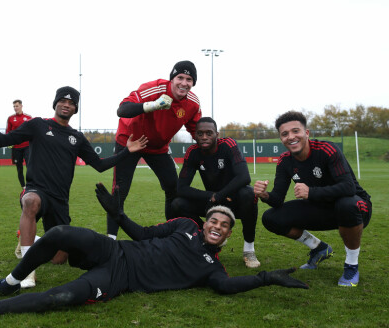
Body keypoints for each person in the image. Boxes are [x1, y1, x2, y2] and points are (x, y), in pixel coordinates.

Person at [0, 183, 308, 328]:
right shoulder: (184, 225)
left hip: (120, 279)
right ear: (205, 221)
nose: (217, 225)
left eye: (224, 225)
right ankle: (6, 284)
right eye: (214, 219)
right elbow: (142, 234)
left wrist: (265, 278)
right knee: (58, 233)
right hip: (117, 249)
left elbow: (224, 288)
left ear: (226, 236)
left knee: (61, 297)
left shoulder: (214, 268)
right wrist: (117, 213)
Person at [0, 86, 148, 288]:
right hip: (36, 190)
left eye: (71, 103)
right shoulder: (37, 125)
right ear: (55, 103)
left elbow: (100, 165)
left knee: (59, 258)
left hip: (60, 201)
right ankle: (27, 273)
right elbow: (2, 141)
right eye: (63, 101)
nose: (66, 105)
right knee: (31, 202)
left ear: (75, 109)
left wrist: (127, 151)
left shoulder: (76, 138)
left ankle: (29, 238)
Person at [253, 111, 372, 287]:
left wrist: (312, 192)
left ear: (306, 133)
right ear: (281, 138)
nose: (291, 137)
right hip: (321, 209)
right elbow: (278, 200)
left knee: (346, 204)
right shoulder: (285, 161)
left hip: (356, 208)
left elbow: (348, 187)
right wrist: (265, 195)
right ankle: (319, 248)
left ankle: (351, 265)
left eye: (295, 131)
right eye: (285, 134)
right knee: (271, 218)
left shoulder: (327, 150)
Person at [107, 60, 202, 240]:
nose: (184, 83)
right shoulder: (154, 89)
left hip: (157, 147)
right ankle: (110, 240)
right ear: (172, 79)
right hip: (131, 141)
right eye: (180, 77)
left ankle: (173, 234)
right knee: (120, 189)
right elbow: (122, 110)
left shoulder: (193, 103)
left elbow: (198, 131)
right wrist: (152, 105)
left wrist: (216, 147)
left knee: (173, 187)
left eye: (189, 79)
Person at [172, 117, 260, 268]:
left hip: (235, 200)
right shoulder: (193, 152)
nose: (204, 137)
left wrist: (219, 195)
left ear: (217, 135)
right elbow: (181, 188)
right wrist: (212, 196)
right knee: (177, 204)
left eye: (209, 133)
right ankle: (207, 237)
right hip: (213, 202)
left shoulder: (228, 145)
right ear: (195, 136)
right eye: (200, 134)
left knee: (249, 194)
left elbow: (244, 177)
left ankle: (249, 250)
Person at [6, 100, 32, 189]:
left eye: (17, 106)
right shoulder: (10, 118)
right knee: (19, 168)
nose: (15, 108)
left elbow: (32, 131)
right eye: (14, 106)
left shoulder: (28, 117)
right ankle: (23, 187)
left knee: (30, 166)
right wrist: (9, 142)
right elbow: (8, 132)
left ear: (21, 106)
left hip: (27, 146)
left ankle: (30, 185)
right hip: (16, 147)